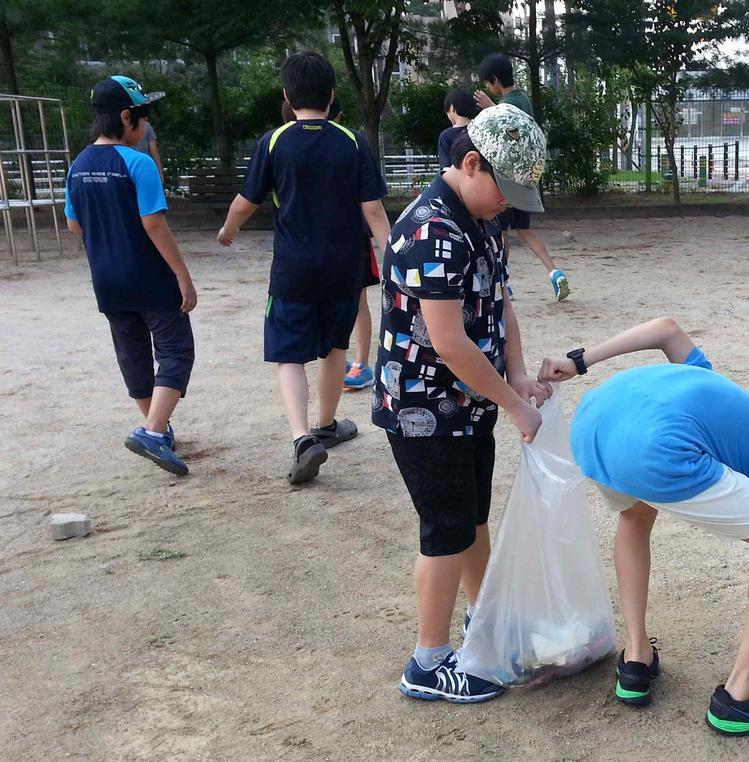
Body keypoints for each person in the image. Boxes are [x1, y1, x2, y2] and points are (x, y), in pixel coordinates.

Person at [539, 318, 749, 738]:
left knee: (636, 513)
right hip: (653, 448)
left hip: (592, 426)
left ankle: (637, 658)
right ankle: (742, 696)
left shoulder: (712, 388)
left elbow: (665, 328)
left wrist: (578, 361)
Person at [373, 104, 551, 703]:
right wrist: (515, 404)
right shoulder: (431, 229)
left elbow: (500, 305)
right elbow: (447, 342)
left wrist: (518, 374)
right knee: (445, 530)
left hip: (469, 406)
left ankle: (483, 617)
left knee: (473, 515)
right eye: (508, 188)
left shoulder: (485, 221)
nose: (512, 203)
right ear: (472, 164)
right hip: (422, 408)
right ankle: (427, 661)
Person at [217, 51, 390, 485]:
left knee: (288, 354)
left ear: (287, 96)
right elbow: (373, 209)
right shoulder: (351, 141)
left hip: (293, 270)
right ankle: (327, 426)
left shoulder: (273, 142)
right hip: (343, 268)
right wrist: (392, 260)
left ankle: (301, 438)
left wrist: (228, 228)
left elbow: (247, 200)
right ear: (332, 96)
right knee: (335, 347)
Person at [64, 76, 196, 476]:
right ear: (126, 117)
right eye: (143, 117)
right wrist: (183, 277)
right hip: (150, 279)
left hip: (107, 280)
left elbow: (74, 226)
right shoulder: (137, 163)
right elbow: (154, 224)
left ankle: (158, 429)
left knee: (132, 354)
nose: (145, 126)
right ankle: (153, 431)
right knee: (175, 351)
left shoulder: (78, 165)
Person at [280, 99, 380, 392]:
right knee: (356, 303)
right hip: (349, 244)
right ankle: (357, 363)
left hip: (303, 251)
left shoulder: (284, 143)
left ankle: (354, 363)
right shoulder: (349, 143)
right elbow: (372, 206)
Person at [474, 53, 570, 302]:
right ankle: (553, 271)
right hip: (523, 180)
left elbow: (513, 132)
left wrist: (491, 108)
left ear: (494, 80)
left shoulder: (511, 104)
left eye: (487, 83)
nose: (487, 88)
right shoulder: (521, 99)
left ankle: (503, 283)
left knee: (500, 233)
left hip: (509, 181)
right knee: (524, 231)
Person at [437, 89, 479, 171]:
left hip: (458, 182)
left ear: (452, 108)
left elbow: (446, 168)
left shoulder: (446, 136)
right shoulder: (481, 130)